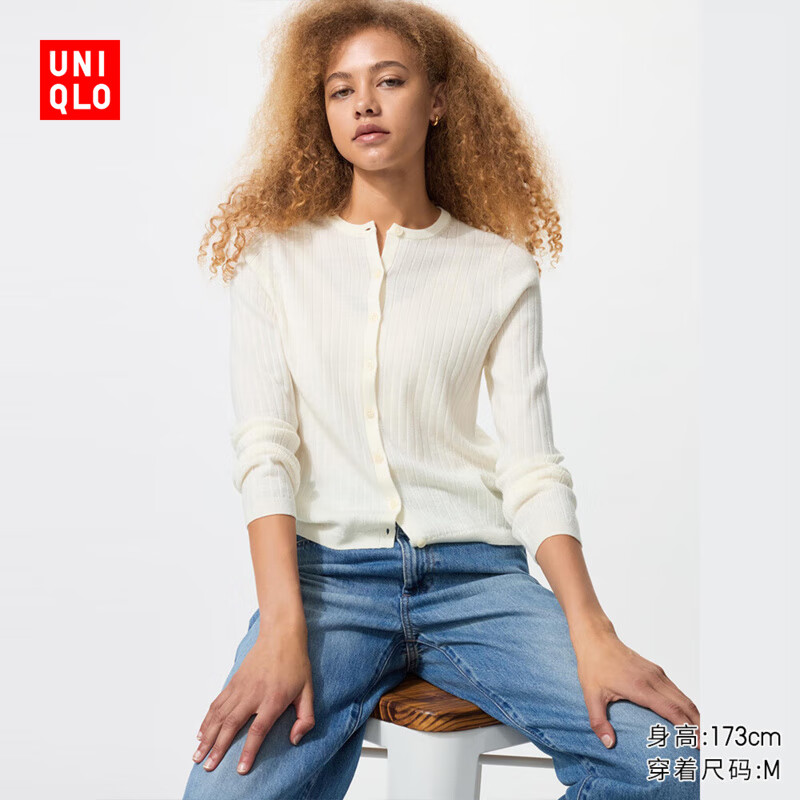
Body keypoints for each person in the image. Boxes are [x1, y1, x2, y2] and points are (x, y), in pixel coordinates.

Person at [182, 1, 700, 798]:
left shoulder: (498, 269)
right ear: (322, 113)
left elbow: (532, 468)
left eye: (389, 81)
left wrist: (594, 631)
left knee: (667, 759)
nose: (364, 103)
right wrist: (281, 625)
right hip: (327, 586)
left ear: (438, 102)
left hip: (477, 581)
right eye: (341, 90)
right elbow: (265, 450)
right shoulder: (274, 263)